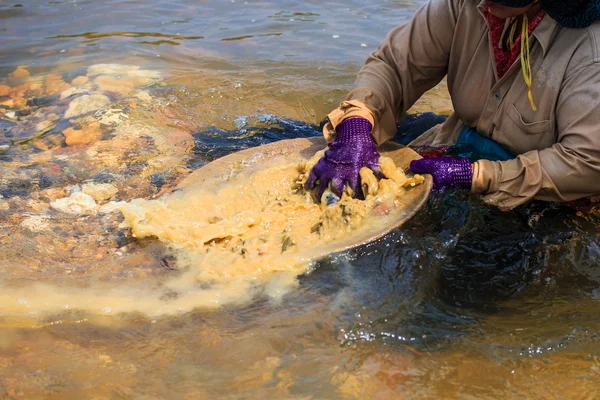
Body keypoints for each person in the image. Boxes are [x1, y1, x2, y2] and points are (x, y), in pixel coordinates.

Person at [305, 0, 600, 211]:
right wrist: (358, 120)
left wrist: (476, 176)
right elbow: (395, 66)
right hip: (463, 139)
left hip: (546, 196)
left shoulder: (590, 48)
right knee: (316, 138)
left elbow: (588, 162)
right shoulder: (465, 4)